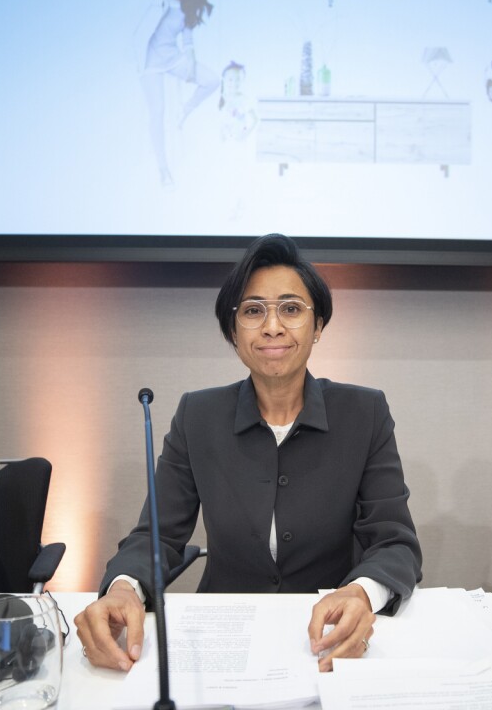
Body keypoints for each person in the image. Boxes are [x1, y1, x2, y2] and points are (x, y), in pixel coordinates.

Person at [75, 234, 423, 672]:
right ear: (234, 333)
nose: (272, 326)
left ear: (318, 328)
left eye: (292, 309)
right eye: (253, 311)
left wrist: (361, 593)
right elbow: (157, 536)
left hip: (327, 635)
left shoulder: (364, 412)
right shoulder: (197, 415)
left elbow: (394, 543)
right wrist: (124, 588)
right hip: (225, 636)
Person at [141, 0, 220, 186]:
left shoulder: (186, 9)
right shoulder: (159, 0)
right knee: (157, 111)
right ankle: (163, 168)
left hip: (173, 58)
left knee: (212, 80)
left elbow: (188, 42)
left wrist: (191, 67)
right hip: (151, 60)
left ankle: (185, 110)